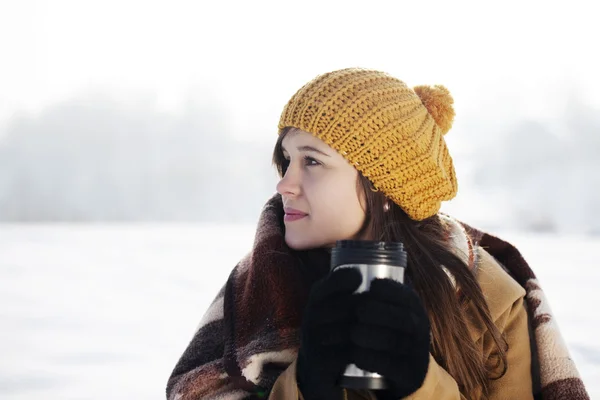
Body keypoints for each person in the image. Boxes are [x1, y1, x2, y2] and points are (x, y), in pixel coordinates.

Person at [166, 68, 589, 399]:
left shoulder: (487, 298)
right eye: (286, 159)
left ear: (384, 186)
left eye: (311, 161)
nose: (284, 184)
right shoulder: (252, 288)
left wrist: (418, 386)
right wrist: (306, 385)